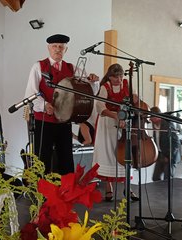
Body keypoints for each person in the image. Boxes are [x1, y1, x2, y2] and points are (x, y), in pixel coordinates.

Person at [24, 34, 99, 175]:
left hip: (65, 121)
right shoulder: (38, 66)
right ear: (48, 48)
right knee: (42, 159)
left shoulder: (72, 68)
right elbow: (31, 94)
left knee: (66, 159)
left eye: (61, 47)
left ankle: (66, 192)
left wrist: (93, 81)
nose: (57, 49)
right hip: (44, 120)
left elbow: (88, 90)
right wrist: (44, 105)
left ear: (66, 49)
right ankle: (42, 194)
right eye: (54, 46)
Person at [92, 63, 138, 202]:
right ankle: (108, 187)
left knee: (124, 154)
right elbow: (100, 107)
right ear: (110, 77)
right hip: (108, 122)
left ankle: (127, 187)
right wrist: (116, 116)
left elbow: (134, 100)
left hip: (124, 123)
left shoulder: (126, 84)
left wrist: (134, 100)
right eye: (116, 76)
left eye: (121, 75)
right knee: (108, 153)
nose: (119, 79)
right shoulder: (105, 87)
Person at [150, 106, 181, 181]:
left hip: (170, 155)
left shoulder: (167, 124)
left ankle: (166, 193)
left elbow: (176, 142)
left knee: (167, 180)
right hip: (160, 154)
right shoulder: (154, 125)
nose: (150, 119)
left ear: (158, 117)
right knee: (155, 178)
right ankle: (159, 193)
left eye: (152, 117)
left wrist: (169, 156)